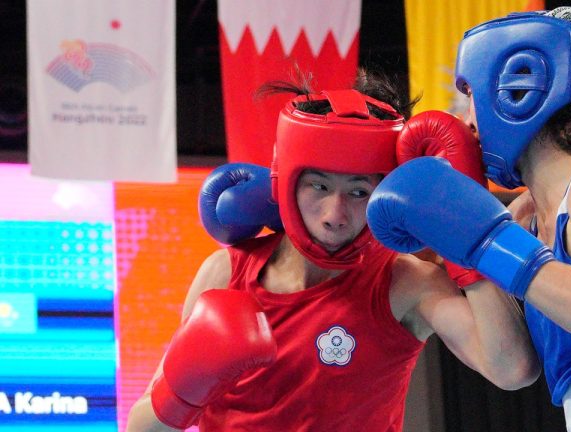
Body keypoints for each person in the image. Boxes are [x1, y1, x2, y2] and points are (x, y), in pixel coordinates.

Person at [125, 72, 540, 431]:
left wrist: (468, 242)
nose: (334, 215)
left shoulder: (403, 283)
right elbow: (142, 427)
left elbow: (512, 370)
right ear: (286, 180)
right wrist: (183, 390)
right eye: (318, 186)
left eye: (359, 192)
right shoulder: (226, 274)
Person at [366, 8, 571, 432]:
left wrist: (488, 243)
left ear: (516, 91)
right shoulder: (522, 217)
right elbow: (509, 367)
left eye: (471, 92)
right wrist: (468, 255)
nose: (466, 119)